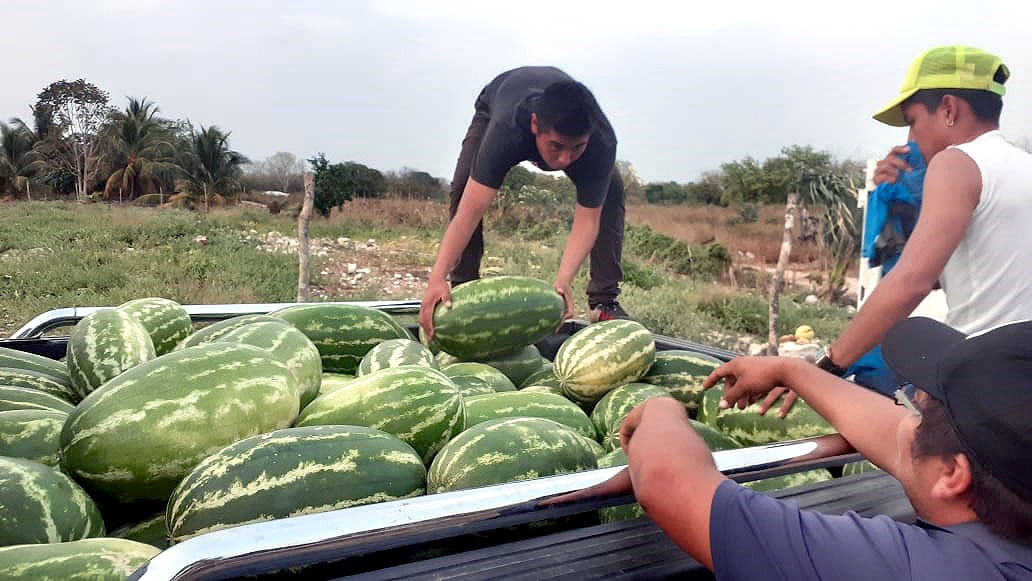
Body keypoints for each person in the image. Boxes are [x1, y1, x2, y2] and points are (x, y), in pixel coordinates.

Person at [565, 317, 1032, 578]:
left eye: (920, 406)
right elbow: (900, 438)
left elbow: (669, 484)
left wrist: (661, 411)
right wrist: (795, 372)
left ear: (953, 476)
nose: (907, 412)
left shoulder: (916, 570)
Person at [768, 45, 1032, 414]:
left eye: (912, 121)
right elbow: (974, 275)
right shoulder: (1023, 166)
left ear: (949, 109)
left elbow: (911, 282)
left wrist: (827, 368)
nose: (910, 140)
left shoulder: (955, 163)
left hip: (982, 385)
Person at [419, 66, 628, 338]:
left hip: (563, 117)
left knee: (611, 190)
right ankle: (462, 288)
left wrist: (563, 281)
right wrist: (437, 277)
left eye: (576, 148)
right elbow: (469, 214)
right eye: (556, 146)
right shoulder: (508, 130)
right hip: (497, 100)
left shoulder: (601, 141)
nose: (565, 159)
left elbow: (588, 221)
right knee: (463, 186)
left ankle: (604, 300)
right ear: (534, 126)